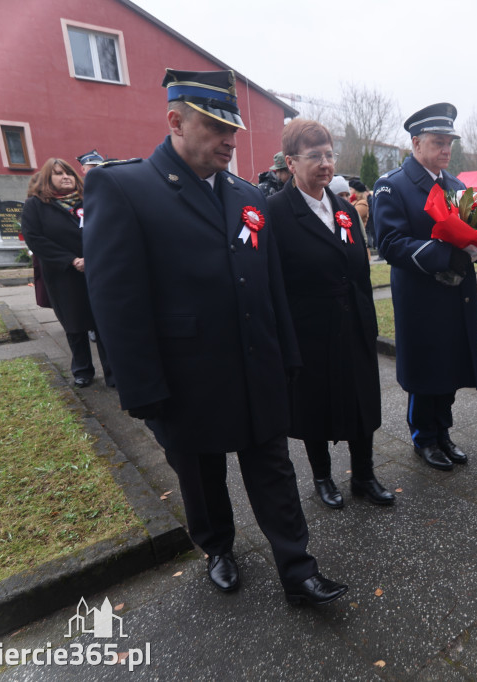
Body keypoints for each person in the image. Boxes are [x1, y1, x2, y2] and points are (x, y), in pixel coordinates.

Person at [83, 68, 346, 605]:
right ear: (175, 120)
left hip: (257, 365)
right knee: (201, 475)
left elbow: (269, 284)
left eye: (234, 129)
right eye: (215, 127)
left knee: (272, 466)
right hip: (187, 374)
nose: (230, 139)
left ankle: (298, 568)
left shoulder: (244, 193)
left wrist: (287, 355)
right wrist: (141, 386)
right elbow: (116, 300)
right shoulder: (125, 186)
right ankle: (218, 548)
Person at [266, 119, 394, 510]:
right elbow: (272, 278)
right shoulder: (275, 212)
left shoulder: (340, 208)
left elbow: (358, 264)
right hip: (308, 326)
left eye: (329, 155)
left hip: (352, 321)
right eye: (314, 156)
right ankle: (322, 476)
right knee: (313, 404)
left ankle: (364, 475)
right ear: (291, 161)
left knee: (361, 400)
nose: (325, 163)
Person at [373, 102, 477, 471]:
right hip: (421, 297)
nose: (446, 150)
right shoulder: (391, 185)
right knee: (426, 370)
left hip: (455, 294)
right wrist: (444, 255)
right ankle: (423, 437)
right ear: (415, 143)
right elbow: (390, 244)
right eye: (437, 142)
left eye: (449, 143)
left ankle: (443, 431)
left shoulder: (457, 185)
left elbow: (471, 234)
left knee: (449, 368)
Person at [20, 158, 111, 389]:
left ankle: (113, 373)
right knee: (75, 323)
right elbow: (35, 239)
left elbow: (107, 228)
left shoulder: (89, 199)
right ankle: (82, 370)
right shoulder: (36, 205)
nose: (66, 177)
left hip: (96, 269)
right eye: (58, 173)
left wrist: (93, 258)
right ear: (46, 179)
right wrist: (70, 260)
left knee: (104, 323)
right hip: (63, 274)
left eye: (69, 172)